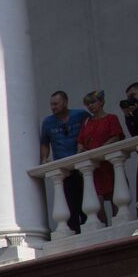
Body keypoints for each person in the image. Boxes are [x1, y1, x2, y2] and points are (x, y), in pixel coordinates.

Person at [40, 91, 91, 232]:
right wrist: (44, 158)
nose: (53, 107)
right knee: (69, 202)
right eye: (51, 104)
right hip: (64, 170)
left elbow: (91, 129)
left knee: (87, 198)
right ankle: (75, 230)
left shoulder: (80, 115)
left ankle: (90, 226)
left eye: (56, 103)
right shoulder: (48, 122)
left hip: (81, 165)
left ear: (65, 102)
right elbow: (44, 142)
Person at [76, 91, 126, 215]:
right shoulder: (87, 122)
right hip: (94, 167)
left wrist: (101, 150)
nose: (90, 106)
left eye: (93, 102)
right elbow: (80, 141)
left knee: (116, 196)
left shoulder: (111, 118)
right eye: (87, 104)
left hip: (109, 164)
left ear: (101, 102)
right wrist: (81, 150)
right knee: (97, 200)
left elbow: (116, 136)